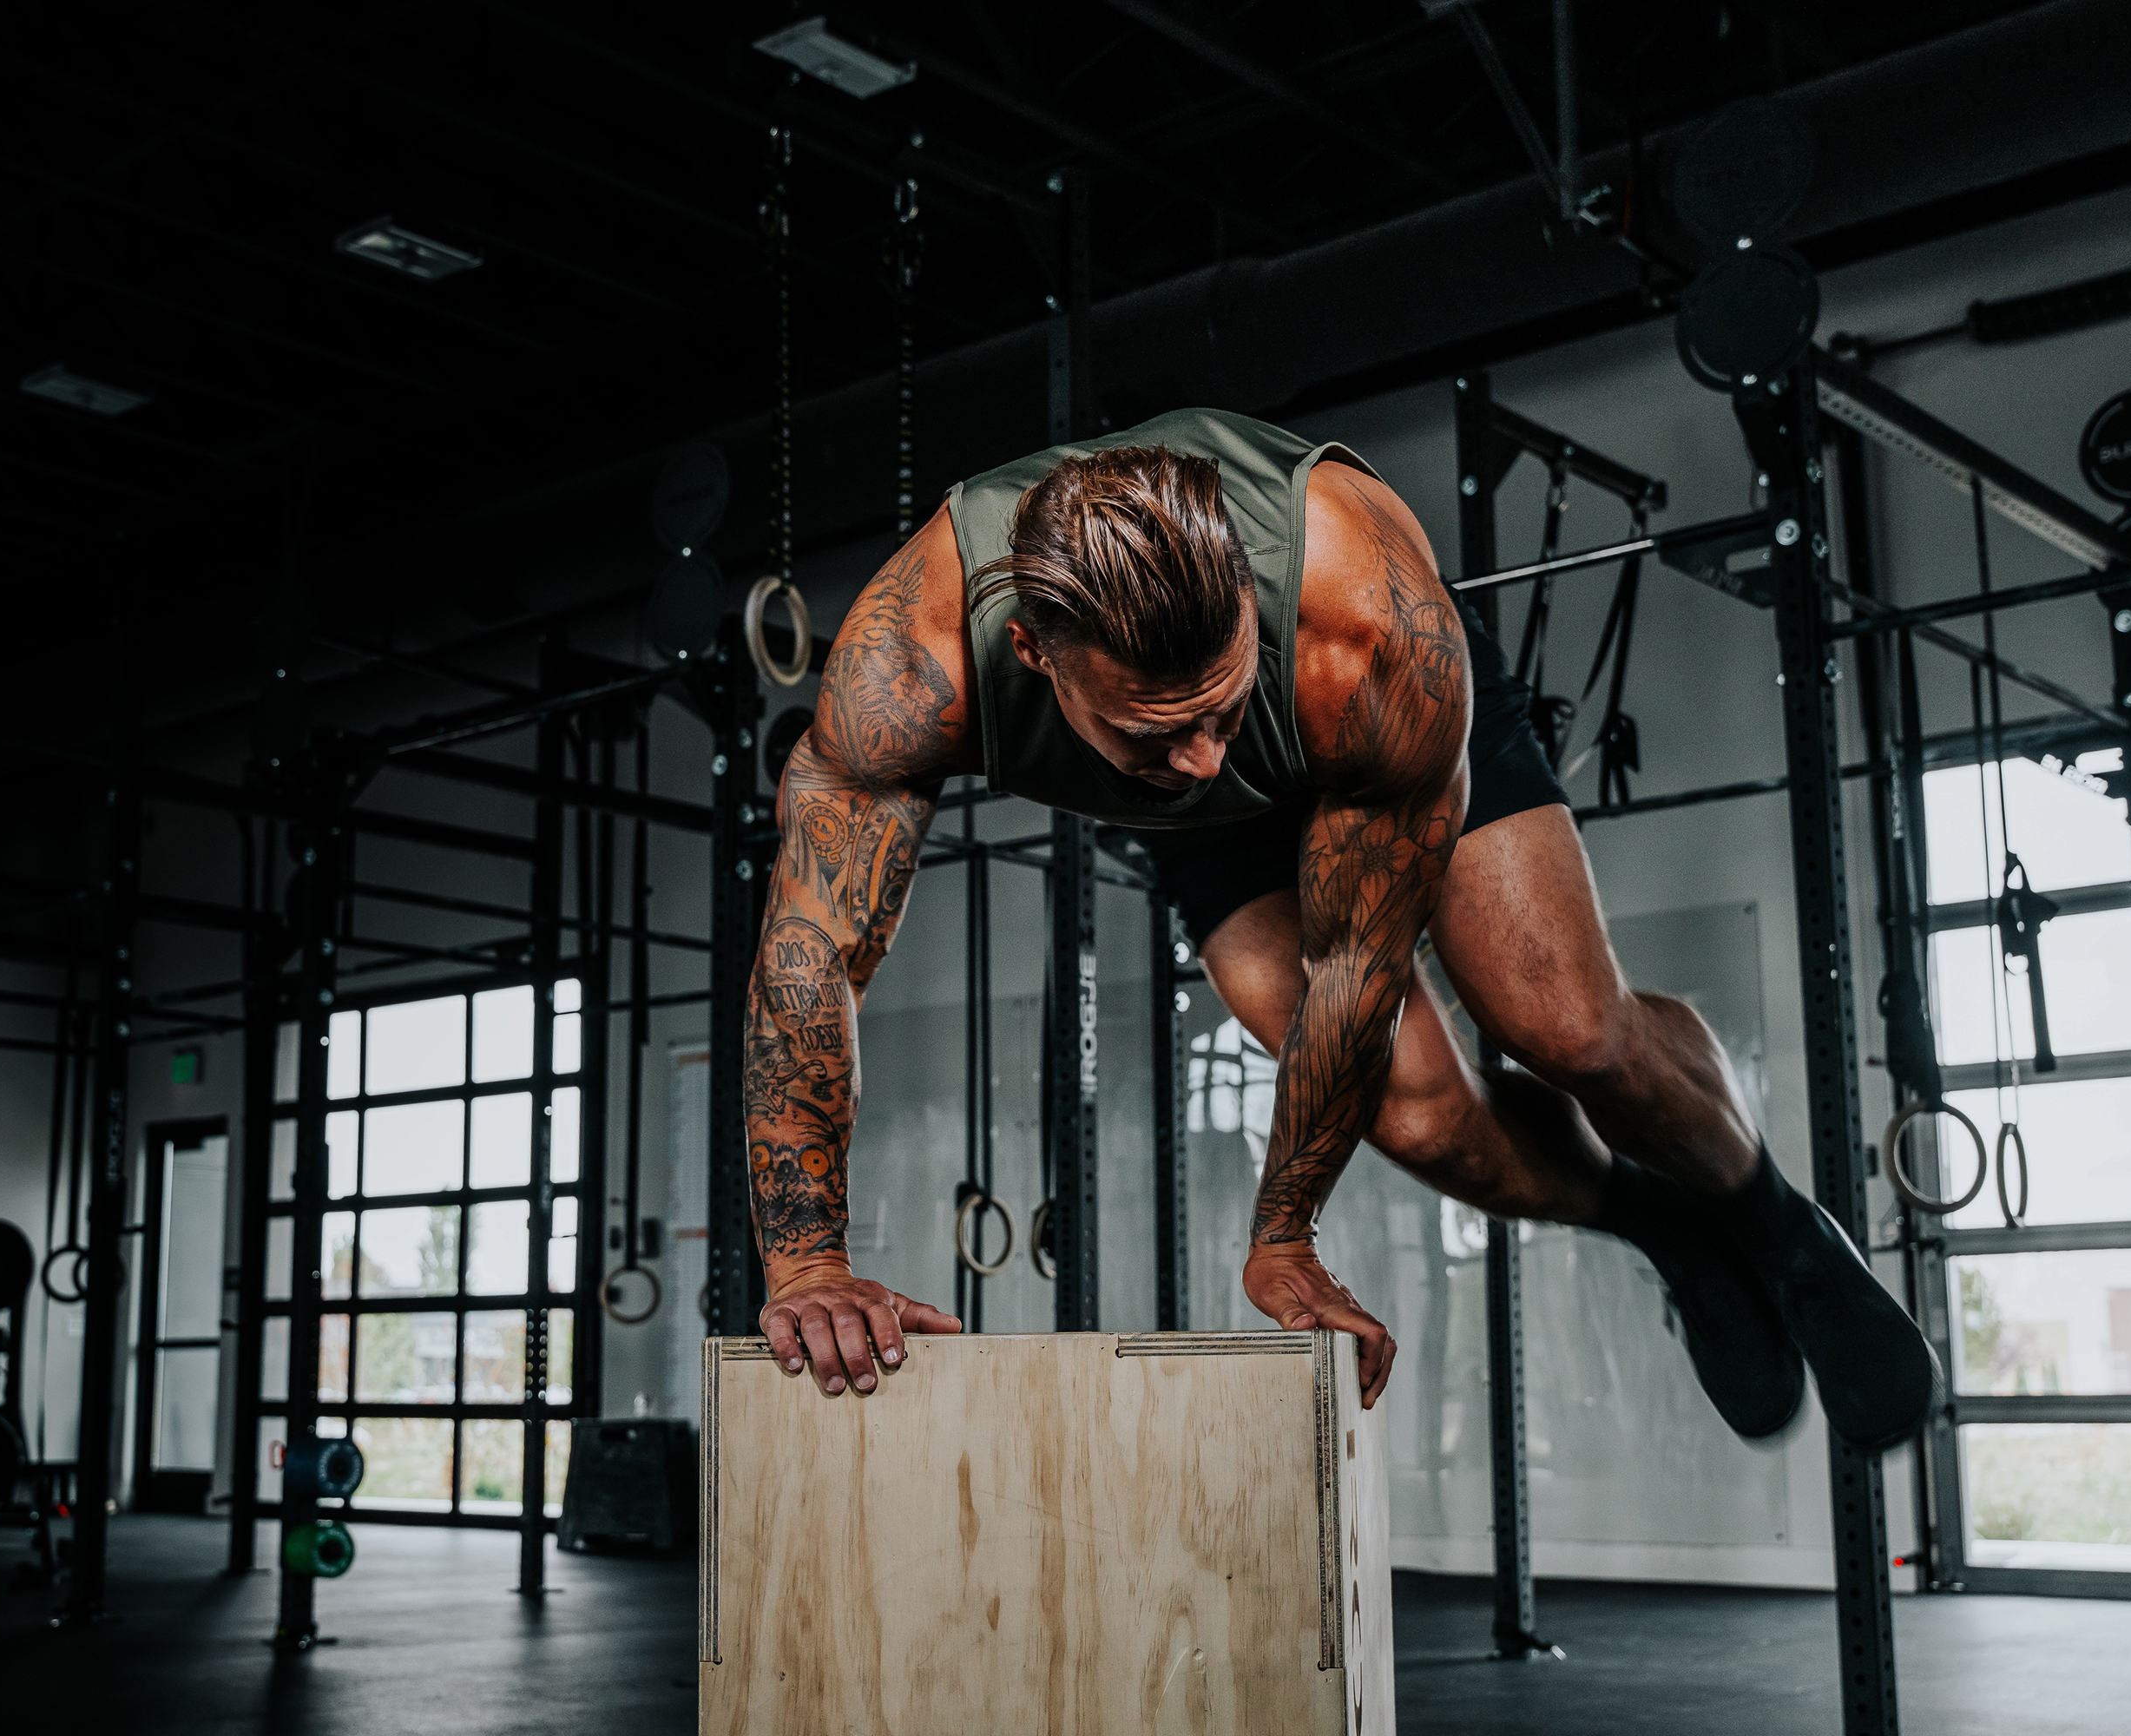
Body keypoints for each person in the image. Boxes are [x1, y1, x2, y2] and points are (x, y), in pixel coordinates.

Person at [740, 406, 1936, 1450]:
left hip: (1359, 728)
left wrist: (1285, 1235)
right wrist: (805, 1262)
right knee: (1421, 1117)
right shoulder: (909, 662)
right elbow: (812, 954)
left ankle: (1775, 1225)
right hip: (1213, 821)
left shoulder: (1371, 628)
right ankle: (1665, 1224)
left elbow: (1356, 965)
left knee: (1568, 1031)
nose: (1201, 759)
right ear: (1033, 655)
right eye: (1155, 732)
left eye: (1211, 710)